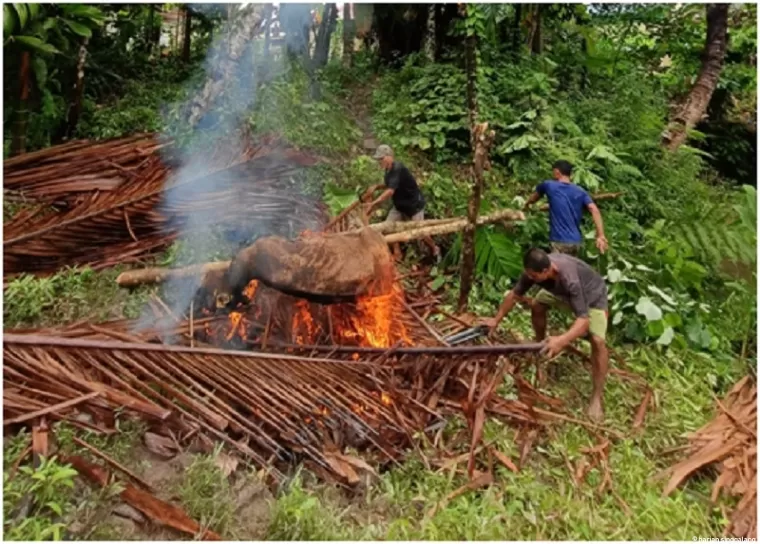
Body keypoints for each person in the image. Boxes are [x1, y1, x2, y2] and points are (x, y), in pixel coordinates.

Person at [481, 248, 610, 421]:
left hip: (591, 296)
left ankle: (596, 397)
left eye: (534, 277)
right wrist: (495, 320)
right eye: (529, 276)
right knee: (537, 304)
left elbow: (584, 320)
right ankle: (540, 345)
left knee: (597, 341)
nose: (531, 279)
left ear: (547, 271)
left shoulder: (569, 278)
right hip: (561, 294)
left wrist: (561, 340)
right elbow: (514, 295)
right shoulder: (533, 272)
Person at [363, 144, 440, 261]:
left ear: (389, 157)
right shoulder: (388, 171)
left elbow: (390, 191)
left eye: (381, 158)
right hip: (399, 206)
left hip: (414, 205)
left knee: (421, 233)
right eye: (378, 159)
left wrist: (374, 203)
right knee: (388, 227)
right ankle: (397, 252)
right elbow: (390, 184)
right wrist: (377, 187)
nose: (380, 161)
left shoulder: (398, 168)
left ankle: (435, 248)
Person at [524, 160, 608, 256]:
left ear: (556, 172)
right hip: (576, 242)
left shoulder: (549, 185)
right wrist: (601, 235)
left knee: (557, 269)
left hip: (559, 240)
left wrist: (526, 205)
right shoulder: (580, 191)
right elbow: (594, 210)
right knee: (570, 269)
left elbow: (533, 199)